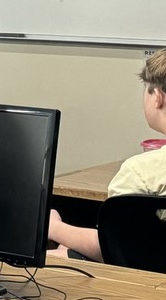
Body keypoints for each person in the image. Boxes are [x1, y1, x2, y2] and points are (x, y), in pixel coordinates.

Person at [49, 48, 166, 261]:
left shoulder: (140, 172)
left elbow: (115, 247)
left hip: (145, 277)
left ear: (157, 97)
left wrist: (55, 227)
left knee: (57, 256)